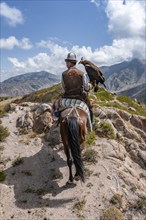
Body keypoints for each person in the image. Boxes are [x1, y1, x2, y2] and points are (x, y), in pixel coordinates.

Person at [61, 52, 93, 123]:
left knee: (56, 107)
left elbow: (63, 88)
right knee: (90, 108)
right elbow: (86, 88)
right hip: (80, 99)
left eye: (67, 62)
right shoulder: (82, 73)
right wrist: (90, 86)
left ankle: (57, 121)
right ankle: (91, 123)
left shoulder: (63, 74)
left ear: (71, 62)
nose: (66, 64)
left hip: (67, 99)